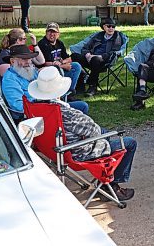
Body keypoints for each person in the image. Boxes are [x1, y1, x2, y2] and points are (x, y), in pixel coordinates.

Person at [28, 66, 137, 201]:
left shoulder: (34, 107)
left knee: (105, 133)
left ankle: (107, 181)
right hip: (77, 154)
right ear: (59, 91)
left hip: (52, 150)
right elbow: (94, 131)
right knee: (129, 143)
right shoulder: (68, 113)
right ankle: (110, 185)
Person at [1, 45, 88, 123]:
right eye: (24, 59)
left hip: (48, 104)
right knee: (81, 110)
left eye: (29, 58)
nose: (28, 62)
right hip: (35, 116)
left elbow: (44, 87)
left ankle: (78, 132)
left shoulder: (31, 70)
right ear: (12, 61)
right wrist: (44, 105)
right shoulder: (10, 79)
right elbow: (19, 107)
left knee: (82, 107)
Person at [79, 21, 126, 97]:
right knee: (74, 56)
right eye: (109, 26)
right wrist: (88, 54)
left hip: (105, 60)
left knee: (96, 60)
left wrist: (100, 56)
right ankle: (80, 82)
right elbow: (86, 47)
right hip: (90, 58)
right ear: (103, 27)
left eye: (113, 26)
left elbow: (114, 52)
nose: (111, 28)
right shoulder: (98, 35)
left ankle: (93, 86)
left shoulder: (117, 36)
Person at [37, 22, 82, 99]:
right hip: (47, 72)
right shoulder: (43, 44)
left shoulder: (59, 43)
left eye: (54, 32)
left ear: (58, 34)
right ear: (46, 32)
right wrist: (62, 66)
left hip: (58, 67)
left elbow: (67, 58)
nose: (51, 34)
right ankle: (63, 95)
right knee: (64, 69)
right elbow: (45, 63)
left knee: (76, 65)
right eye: (49, 31)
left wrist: (63, 62)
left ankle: (69, 92)